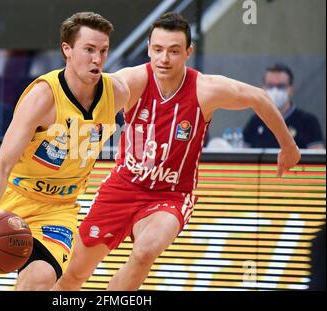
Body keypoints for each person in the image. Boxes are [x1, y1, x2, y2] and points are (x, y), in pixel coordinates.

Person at [52, 12, 301, 291]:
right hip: (122, 187)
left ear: (188, 52)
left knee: (145, 251)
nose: (164, 59)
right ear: (148, 49)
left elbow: (259, 97)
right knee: (74, 274)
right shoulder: (132, 81)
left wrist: (288, 146)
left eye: (173, 51)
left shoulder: (205, 90)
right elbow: (87, 97)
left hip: (171, 194)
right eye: (157, 50)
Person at [0, 12, 130, 291]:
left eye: (103, 50)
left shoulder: (117, 92)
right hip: (14, 198)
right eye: (89, 50)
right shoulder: (43, 97)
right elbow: (3, 163)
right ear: (67, 50)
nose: (97, 58)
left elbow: (149, 89)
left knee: (39, 281)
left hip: (58, 209)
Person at [243, 63, 325, 149]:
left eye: (280, 86)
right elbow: (242, 156)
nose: (275, 91)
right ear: (263, 88)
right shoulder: (255, 121)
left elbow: (317, 156)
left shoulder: (308, 122)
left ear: (291, 89)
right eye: (270, 86)